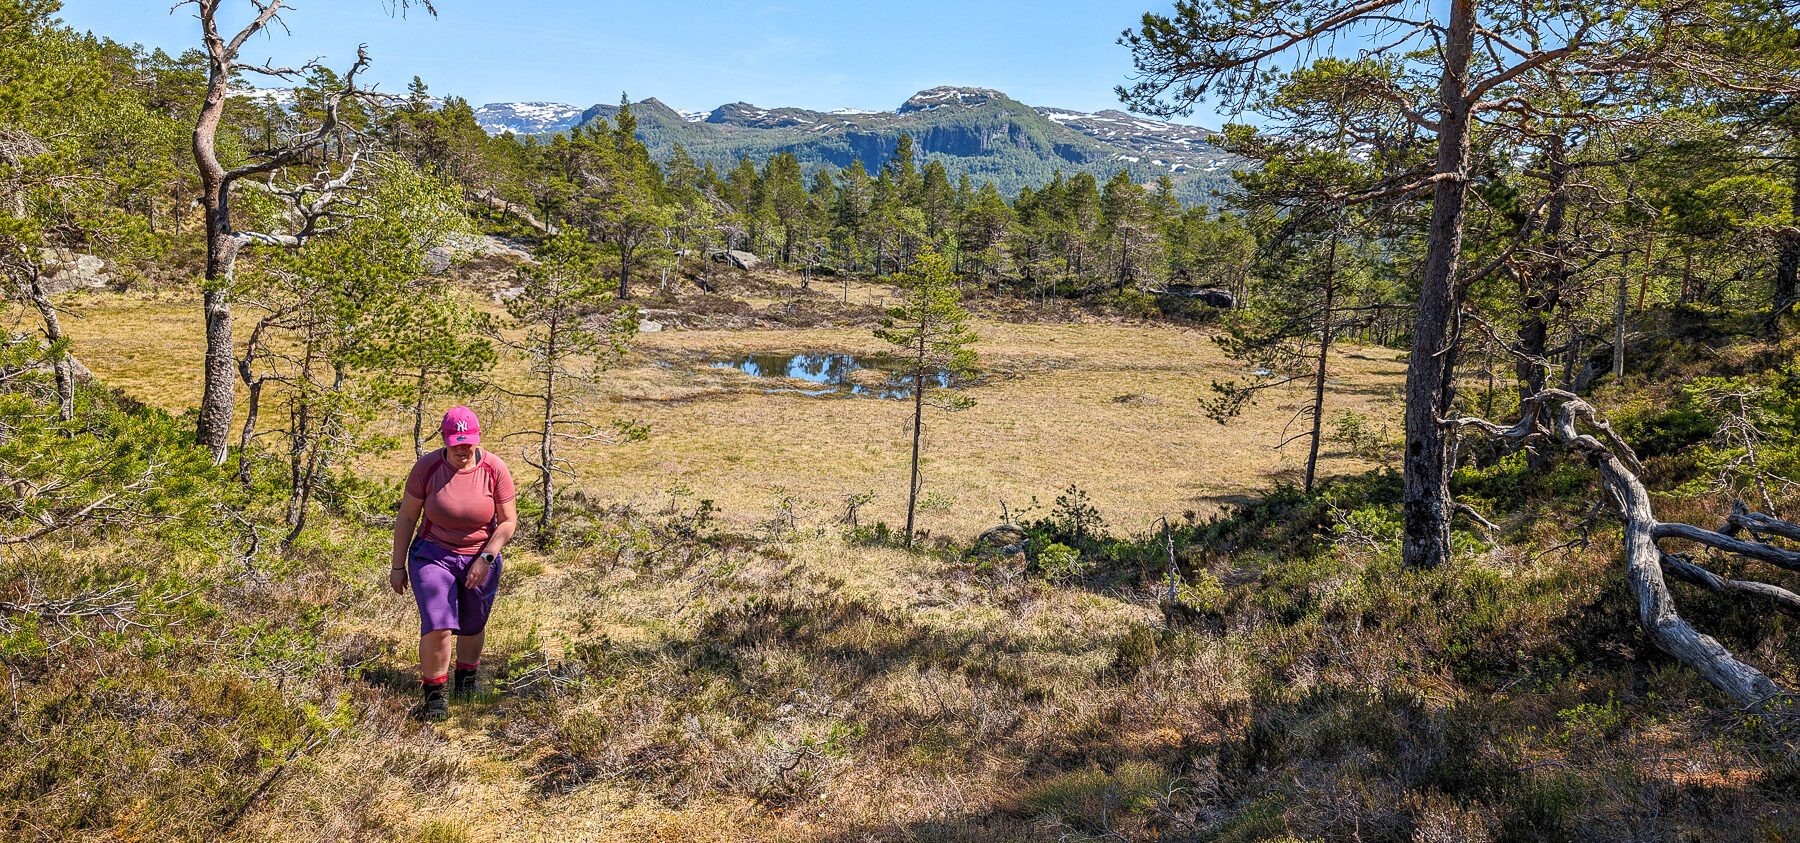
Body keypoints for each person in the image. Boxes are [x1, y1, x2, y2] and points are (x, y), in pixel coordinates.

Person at [390, 406, 518, 721]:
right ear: (445, 440)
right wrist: (397, 566)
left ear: (477, 440)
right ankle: (435, 699)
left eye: (468, 442)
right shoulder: (427, 468)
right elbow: (407, 518)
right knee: (439, 623)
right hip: (433, 554)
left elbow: (508, 522)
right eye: (455, 442)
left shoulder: (494, 469)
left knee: (473, 624)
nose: (462, 449)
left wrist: (486, 558)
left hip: (481, 555)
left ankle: (466, 685)